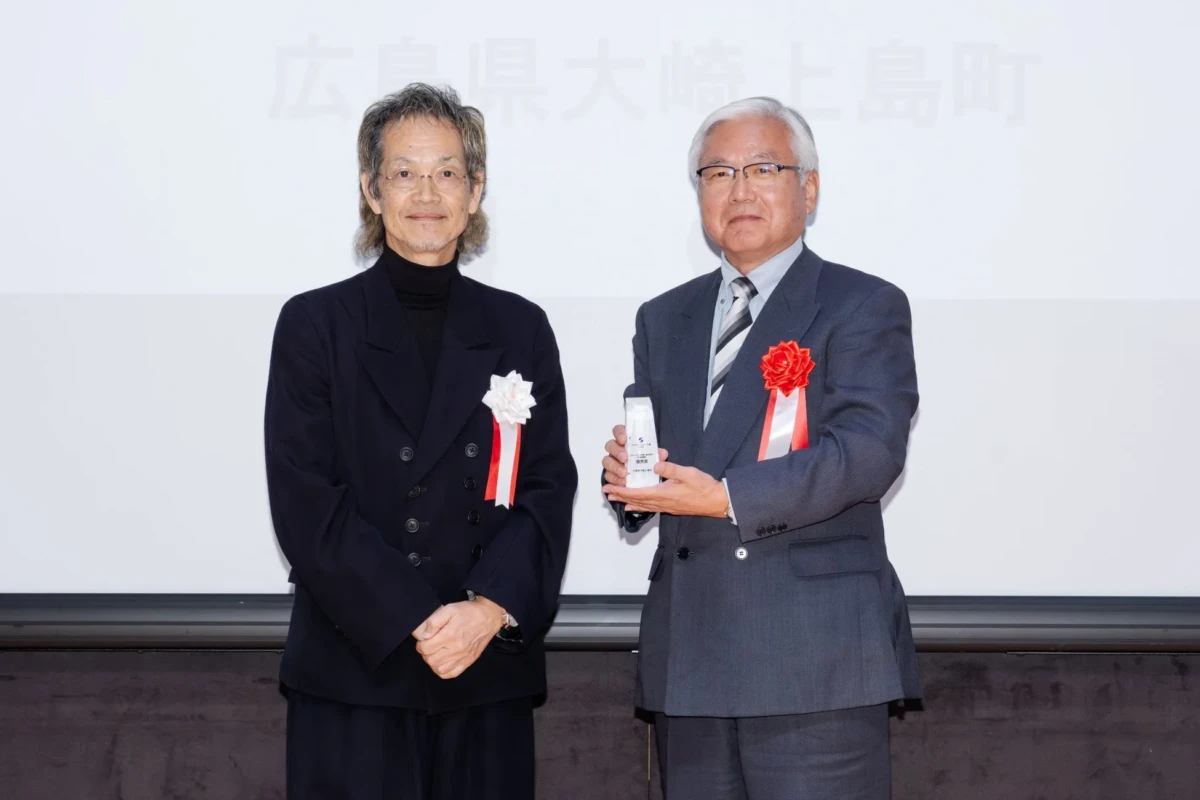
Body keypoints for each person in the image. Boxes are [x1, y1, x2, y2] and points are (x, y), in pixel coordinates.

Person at [264, 83, 577, 799]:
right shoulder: (316, 325)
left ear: (475, 192)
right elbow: (308, 502)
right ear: (372, 192)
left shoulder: (520, 327)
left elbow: (547, 490)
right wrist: (419, 619)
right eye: (404, 172)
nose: (426, 192)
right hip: (356, 667)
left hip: (484, 670)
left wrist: (485, 613)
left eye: (447, 173)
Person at [602, 96, 920, 799]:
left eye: (763, 168)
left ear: (808, 187)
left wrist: (728, 499)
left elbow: (869, 450)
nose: (739, 190)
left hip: (815, 659)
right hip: (691, 653)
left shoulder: (861, 304)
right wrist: (629, 479)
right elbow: (662, 454)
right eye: (717, 173)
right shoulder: (665, 317)